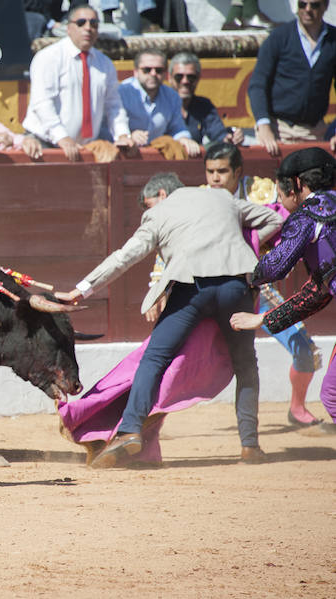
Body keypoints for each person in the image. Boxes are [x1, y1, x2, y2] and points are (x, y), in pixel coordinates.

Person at [56, 172, 283, 467]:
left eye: (148, 203)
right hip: (235, 287)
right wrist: (239, 244)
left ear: (162, 194)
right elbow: (273, 220)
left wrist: (81, 290)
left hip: (192, 291)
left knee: (154, 359)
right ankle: (250, 446)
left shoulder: (160, 213)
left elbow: (125, 257)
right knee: (246, 366)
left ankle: (129, 430)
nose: (147, 210)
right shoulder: (223, 197)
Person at [203, 143, 321, 425]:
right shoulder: (199, 198)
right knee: (174, 354)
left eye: (222, 171)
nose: (215, 178)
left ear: (237, 172)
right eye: (210, 171)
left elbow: (294, 220)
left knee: (305, 350)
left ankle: (297, 409)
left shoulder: (265, 191)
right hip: (211, 289)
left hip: (258, 287)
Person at [231, 147, 336, 434]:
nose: (280, 199)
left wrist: (245, 276)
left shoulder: (310, 213)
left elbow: (275, 266)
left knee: (333, 395)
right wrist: (266, 318)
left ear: (297, 184)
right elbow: (318, 292)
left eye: (281, 192)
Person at [23, 4, 134, 162]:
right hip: (44, 144)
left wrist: (122, 134)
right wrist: (62, 137)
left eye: (94, 24)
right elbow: (42, 103)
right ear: (69, 28)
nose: (88, 28)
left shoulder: (105, 63)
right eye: (81, 23)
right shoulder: (49, 57)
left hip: (84, 148)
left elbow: (113, 105)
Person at [247, 0, 336, 156]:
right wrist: (264, 125)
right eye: (302, 4)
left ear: (325, 6)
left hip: (314, 132)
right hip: (278, 130)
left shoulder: (333, 39)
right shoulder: (279, 36)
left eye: (314, 5)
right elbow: (257, 84)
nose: (307, 9)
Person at [118, 49, 202, 158]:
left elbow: (177, 128)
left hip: (156, 158)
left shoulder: (172, 96)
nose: (153, 74)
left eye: (159, 70)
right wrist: (129, 135)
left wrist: (184, 139)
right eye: (147, 70)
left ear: (165, 73)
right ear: (135, 72)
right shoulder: (121, 93)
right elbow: (110, 127)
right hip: (125, 157)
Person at [169, 52, 244, 146]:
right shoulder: (160, 104)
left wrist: (232, 137)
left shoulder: (203, 106)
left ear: (198, 79)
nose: (185, 81)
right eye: (179, 77)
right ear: (170, 78)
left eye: (191, 77)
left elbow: (219, 134)